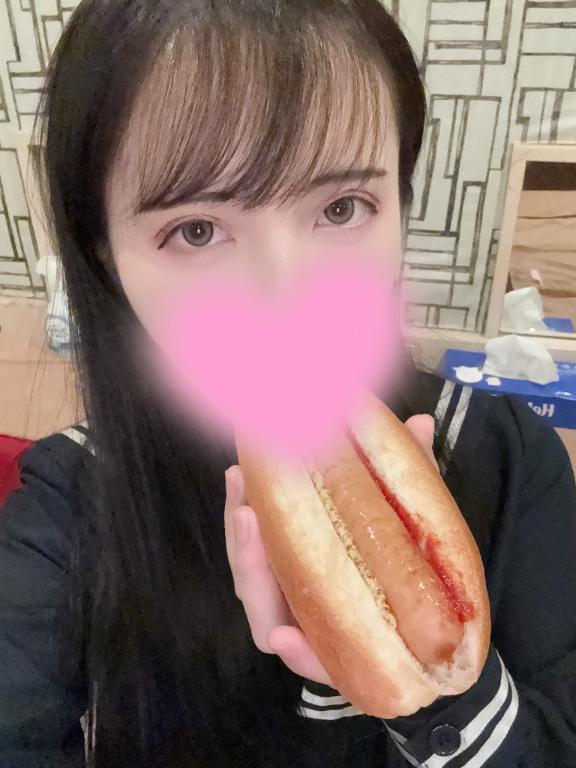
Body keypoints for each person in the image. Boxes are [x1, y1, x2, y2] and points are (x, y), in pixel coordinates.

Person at [0, 1, 575, 766]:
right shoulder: (67, 507)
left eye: (341, 207)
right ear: (106, 258)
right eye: (197, 230)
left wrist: (436, 698)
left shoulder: (513, 461)